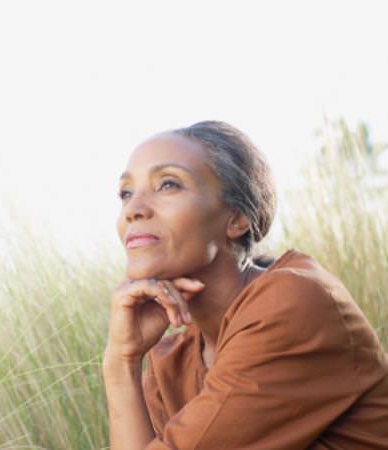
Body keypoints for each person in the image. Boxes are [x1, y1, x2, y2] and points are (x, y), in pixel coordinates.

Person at [103, 120, 388, 449]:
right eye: (126, 193)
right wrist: (121, 361)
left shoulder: (292, 302)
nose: (133, 210)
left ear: (237, 218)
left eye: (168, 185)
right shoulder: (170, 361)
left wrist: (120, 367)